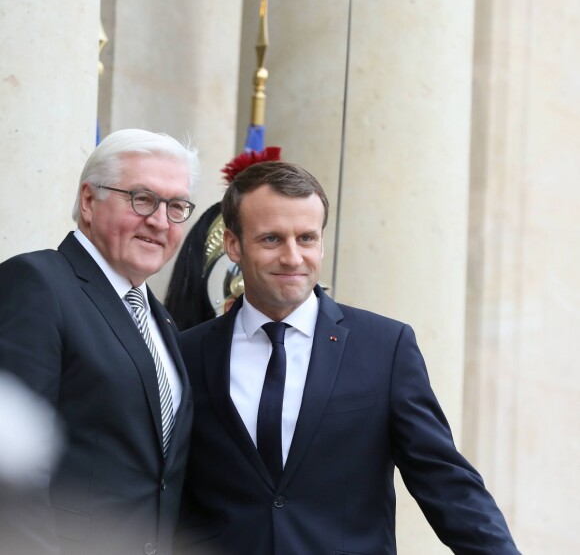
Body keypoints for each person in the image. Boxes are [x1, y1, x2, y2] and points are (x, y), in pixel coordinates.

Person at [177, 161, 520, 554]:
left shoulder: (385, 347)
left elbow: (445, 481)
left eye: (306, 238)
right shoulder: (186, 353)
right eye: (271, 239)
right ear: (234, 245)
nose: (292, 258)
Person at [0, 128, 199, 555]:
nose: (160, 221)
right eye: (142, 199)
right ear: (89, 200)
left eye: (177, 206)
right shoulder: (38, 283)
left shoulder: (160, 318)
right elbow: (11, 468)